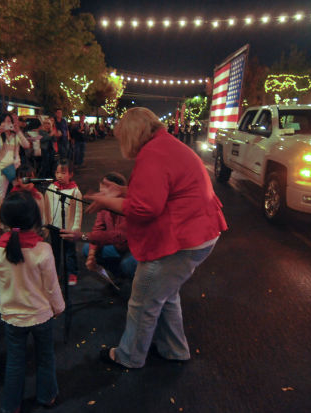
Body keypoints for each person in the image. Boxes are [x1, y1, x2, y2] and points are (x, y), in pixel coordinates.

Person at [85, 107, 227, 369]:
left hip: (182, 240)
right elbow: (160, 189)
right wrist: (122, 190)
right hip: (198, 233)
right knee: (165, 294)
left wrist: (107, 200)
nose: (120, 143)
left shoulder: (153, 154)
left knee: (143, 302)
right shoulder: (164, 145)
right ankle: (174, 349)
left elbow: (144, 207)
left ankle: (129, 357)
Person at [0, 191, 64, 412]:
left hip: (12, 318)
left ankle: (11, 406)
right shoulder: (43, 250)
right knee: (46, 357)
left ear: (4, 219)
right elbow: (51, 286)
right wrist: (58, 308)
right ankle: (47, 396)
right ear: (34, 218)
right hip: (41, 316)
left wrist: (2, 306)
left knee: (15, 362)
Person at [60, 172, 136, 279]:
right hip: (117, 245)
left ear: (117, 190)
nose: (100, 197)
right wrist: (91, 255)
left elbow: (117, 236)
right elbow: (98, 229)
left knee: (127, 265)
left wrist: (82, 236)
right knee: (88, 249)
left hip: (134, 249)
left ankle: (131, 281)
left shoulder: (130, 206)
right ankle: (118, 274)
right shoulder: (105, 204)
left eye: (103, 194)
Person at [43, 158, 82, 286]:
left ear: (71, 174)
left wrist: (75, 228)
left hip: (68, 227)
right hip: (54, 226)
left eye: (63, 173)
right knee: (55, 251)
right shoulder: (51, 188)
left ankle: (72, 272)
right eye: (57, 172)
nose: (59, 176)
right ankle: (56, 273)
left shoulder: (75, 191)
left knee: (69, 251)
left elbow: (78, 212)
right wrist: (46, 223)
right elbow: (47, 206)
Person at [0, 113, 30, 198]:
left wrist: (18, 131)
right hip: (3, 168)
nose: (7, 124)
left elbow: (26, 145)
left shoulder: (16, 135)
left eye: (9, 122)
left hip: (15, 168)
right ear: (1, 123)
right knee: (1, 195)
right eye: (5, 122)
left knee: (19, 192)